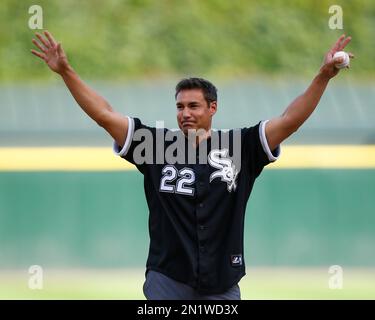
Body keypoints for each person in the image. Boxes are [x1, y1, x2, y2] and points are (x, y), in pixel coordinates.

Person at [31, 31, 353, 300]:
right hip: (167, 281)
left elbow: (290, 120)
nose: (185, 112)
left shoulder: (239, 146)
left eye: (194, 105)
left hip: (222, 284)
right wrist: (66, 72)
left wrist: (323, 75)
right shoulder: (155, 146)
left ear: (213, 107)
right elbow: (104, 114)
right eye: (180, 106)